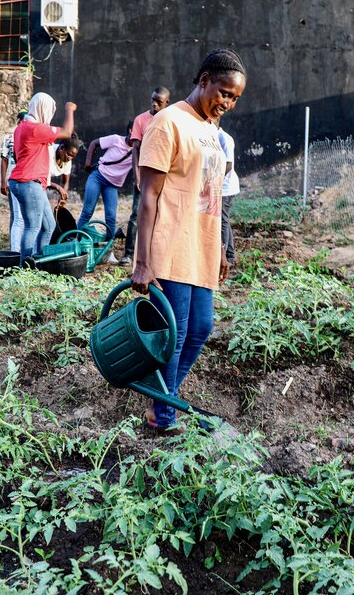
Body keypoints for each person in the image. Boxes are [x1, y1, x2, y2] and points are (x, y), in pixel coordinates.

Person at [132, 49, 246, 436]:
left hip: (201, 247)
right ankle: (163, 418)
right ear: (204, 81)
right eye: (224, 93)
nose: (227, 103)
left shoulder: (211, 131)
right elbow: (148, 196)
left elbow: (211, 197)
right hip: (169, 245)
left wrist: (222, 249)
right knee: (175, 334)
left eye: (234, 99)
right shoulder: (168, 123)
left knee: (200, 328)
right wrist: (143, 260)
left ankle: (160, 398)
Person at [9, 93, 76, 262]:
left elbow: (18, 156)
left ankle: (39, 261)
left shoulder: (21, 128)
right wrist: (70, 109)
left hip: (24, 182)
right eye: (50, 110)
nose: (50, 115)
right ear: (43, 109)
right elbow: (67, 132)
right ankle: (26, 266)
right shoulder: (35, 128)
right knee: (33, 226)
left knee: (49, 225)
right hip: (29, 183)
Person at [120, 86, 171, 265]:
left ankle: (156, 255)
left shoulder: (170, 120)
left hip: (164, 175)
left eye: (159, 102)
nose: (155, 104)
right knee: (136, 214)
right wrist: (137, 176)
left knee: (162, 214)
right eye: (153, 100)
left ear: (167, 103)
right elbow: (135, 149)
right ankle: (129, 253)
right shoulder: (141, 120)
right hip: (145, 174)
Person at [77, 122, 135, 263]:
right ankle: (76, 243)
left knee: (111, 216)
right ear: (129, 130)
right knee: (88, 211)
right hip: (98, 176)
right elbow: (94, 143)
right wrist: (87, 163)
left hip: (112, 185)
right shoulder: (116, 139)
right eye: (135, 131)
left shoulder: (137, 152)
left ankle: (109, 253)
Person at [0, 109, 28, 253]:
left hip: (23, 177)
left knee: (17, 215)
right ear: (18, 121)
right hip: (14, 178)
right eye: (22, 120)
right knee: (18, 216)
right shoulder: (9, 137)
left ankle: (15, 246)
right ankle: (16, 251)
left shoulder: (27, 135)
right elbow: (4, 160)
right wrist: (3, 181)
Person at [217, 119, 239, 265]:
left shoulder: (224, 138)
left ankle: (223, 256)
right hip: (221, 186)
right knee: (224, 220)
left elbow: (229, 165)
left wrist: (215, 182)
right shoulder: (212, 136)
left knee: (222, 221)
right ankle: (230, 255)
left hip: (225, 187)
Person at [47, 136, 80, 206]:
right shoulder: (48, 152)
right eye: (68, 154)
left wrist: (62, 197)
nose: (70, 158)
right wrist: (58, 188)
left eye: (72, 156)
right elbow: (40, 179)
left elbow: (65, 182)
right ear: (62, 147)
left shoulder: (67, 160)